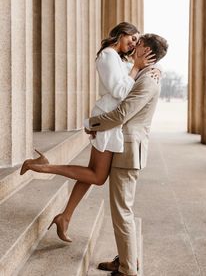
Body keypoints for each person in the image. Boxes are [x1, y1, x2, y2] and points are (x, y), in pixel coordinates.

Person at [20, 22, 155, 242]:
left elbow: (127, 86)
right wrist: (136, 68)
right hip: (107, 121)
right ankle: (42, 167)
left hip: (111, 123)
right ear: (122, 34)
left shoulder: (119, 58)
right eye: (132, 39)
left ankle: (65, 216)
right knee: (98, 176)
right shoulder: (108, 56)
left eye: (136, 42)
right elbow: (120, 91)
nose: (133, 44)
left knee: (92, 173)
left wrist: (140, 67)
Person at [85, 33, 168, 276]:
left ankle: (127, 270)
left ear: (147, 52)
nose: (134, 45)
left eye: (139, 44)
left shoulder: (148, 80)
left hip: (129, 150)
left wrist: (91, 123)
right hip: (128, 149)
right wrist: (156, 67)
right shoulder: (146, 73)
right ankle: (126, 259)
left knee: (122, 211)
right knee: (123, 210)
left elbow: (122, 114)